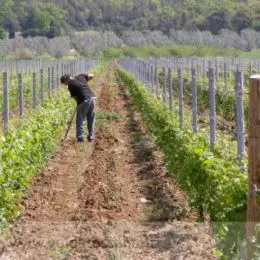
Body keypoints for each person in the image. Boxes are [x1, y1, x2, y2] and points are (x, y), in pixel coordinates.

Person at [60, 73, 96, 142]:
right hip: (92, 98)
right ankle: (91, 137)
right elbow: (92, 75)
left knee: (80, 119)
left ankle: (80, 137)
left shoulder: (71, 85)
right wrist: (85, 81)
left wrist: (79, 102)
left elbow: (74, 97)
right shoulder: (81, 76)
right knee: (91, 118)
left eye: (64, 83)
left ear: (66, 79)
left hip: (83, 100)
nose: (65, 84)